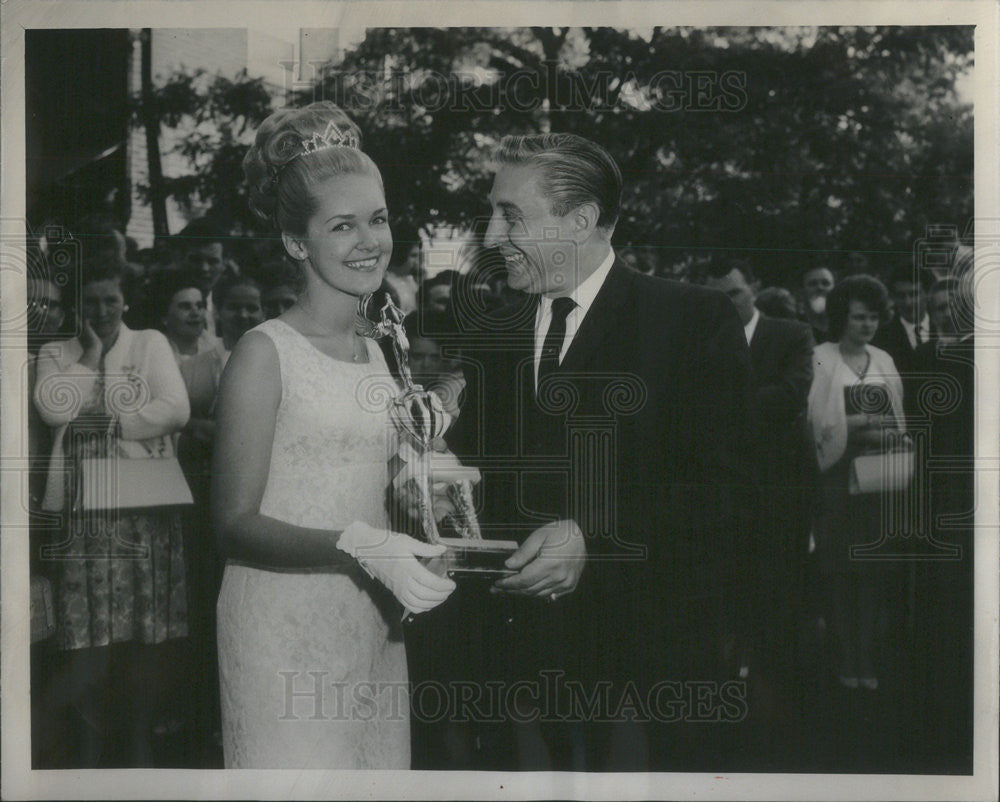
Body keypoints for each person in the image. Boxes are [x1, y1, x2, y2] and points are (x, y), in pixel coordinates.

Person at [441, 133, 752, 771]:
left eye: (511, 216)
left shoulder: (692, 320)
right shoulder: (490, 329)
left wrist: (594, 535)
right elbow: (480, 476)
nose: (493, 239)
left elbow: (727, 489)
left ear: (580, 220)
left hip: (653, 664)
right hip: (519, 668)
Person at [213, 101, 455, 769]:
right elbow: (232, 523)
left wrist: (432, 527)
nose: (369, 241)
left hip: (374, 628)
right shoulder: (266, 352)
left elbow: (386, 488)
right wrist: (364, 545)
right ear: (298, 242)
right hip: (282, 630)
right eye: (341, 225)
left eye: (377, 219)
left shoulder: (385, 351)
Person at [33, 248, 191, 766]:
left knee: (149, 633)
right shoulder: (58, 354)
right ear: (78, 306)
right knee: (88, 635)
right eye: (91, 302)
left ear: (125, 300)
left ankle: (140, 739)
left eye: (111, 300)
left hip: (147, 510)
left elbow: (176, 409)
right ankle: (81, 741)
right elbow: (54, 410)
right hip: (84, 515)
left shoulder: (151, 343)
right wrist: (93, 356)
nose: (102, 311)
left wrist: (106, 423)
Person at [703, 258, 815, 764]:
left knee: (779, 604)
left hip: (780, 498)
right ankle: (731, 708)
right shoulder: (701, 338)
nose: (726, 305)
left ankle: (783, 725)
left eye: (735, 294)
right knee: (728, 604)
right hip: (723, 499)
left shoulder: (791, 333)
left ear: (757, 288)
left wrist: (725, 403)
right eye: (716, 297)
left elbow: (791, 396)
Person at [807, 275, 904, 692]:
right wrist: (861, 422)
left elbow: (900, 419)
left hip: (878, 483)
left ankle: (869, 658)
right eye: (859, 317)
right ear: (841, 317)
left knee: (873, 573)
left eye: (873, 318)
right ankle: (846, 657)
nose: (867, 326)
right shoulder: (821, 357)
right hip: (836, 483)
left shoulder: (883, 359)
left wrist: (889, 433)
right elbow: (813, 422)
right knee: (840, 572)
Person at [873, 263, 930, 379]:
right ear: (893, 298)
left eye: (913, 294)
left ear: (927, 294)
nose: (908, 302)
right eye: (901, 296)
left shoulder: (944, 328)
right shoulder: (882, 338)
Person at [383, 221, 422, 315]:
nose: (417, 261)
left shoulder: (411, 280)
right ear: (400, 255)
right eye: (413, 256)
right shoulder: (384, 284)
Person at [800, 264, 836, 343]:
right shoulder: (797, 327)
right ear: (802, 291)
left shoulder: (845, 328)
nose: (820, 287)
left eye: (825, 283)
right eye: (813, 284)